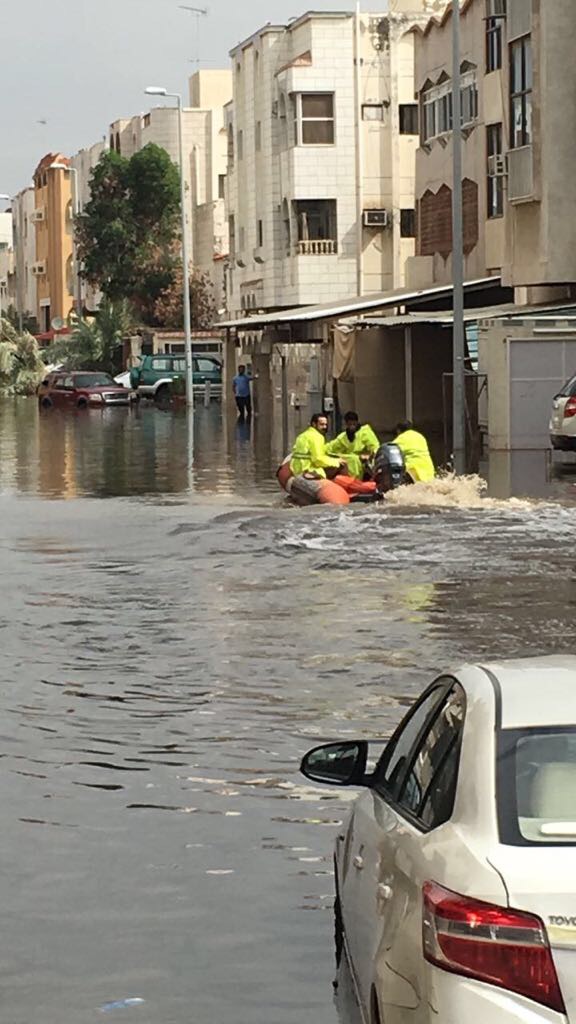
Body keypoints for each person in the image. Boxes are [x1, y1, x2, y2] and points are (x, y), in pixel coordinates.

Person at [325, 411, 380, 480]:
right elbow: (330, 447)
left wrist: (368, 455)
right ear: (346, 424)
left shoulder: (365, 432)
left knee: (354, 459)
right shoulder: (343, 437)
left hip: (365, 465)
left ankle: (356, 481)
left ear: (357, 422)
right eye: (349, 424)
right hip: (349, 466)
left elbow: (375, 447)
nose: (352, 426)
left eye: (354, 424)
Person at [290, 414, 347, 479]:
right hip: (309, 469)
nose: (325, 427)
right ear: (314, 424)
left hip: (296, 469)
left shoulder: (302, 435)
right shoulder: (317, 437)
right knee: (342, 464)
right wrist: (336, 461)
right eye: (322, 424)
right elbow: (318, 459)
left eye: (326, 424)